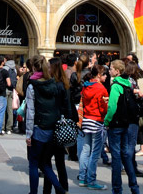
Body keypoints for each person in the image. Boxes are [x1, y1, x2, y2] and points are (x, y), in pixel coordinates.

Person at [25, 53, 69, 194]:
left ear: (33, 67)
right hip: (52, 128)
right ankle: (59, 188)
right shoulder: (53, 84)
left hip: (39, 128)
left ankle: (33, 192)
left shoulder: (32, 86)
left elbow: (30, 112)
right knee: (45, 163)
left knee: (34, 162)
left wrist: (28, 134)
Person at [104, 59, 141, 194]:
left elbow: (112, 106)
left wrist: (107, 121)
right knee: (126, 155)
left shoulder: (116, 86)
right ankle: (134, 187)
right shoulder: (128, 84)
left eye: (111, 68)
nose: (109, 71)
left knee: (116, 158)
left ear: (117, 71)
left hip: (116, 125)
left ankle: (117, 189)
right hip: (126, 123)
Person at [78, 64, 108, 190]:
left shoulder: (85, 86)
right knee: (95, 153)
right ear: (99, 75)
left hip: (86, 120)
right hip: (96, 121)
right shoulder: (101, 89)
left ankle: (82, 178)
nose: (106, 77)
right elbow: (104, 107)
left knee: (86, 150)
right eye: (105, 74)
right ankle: (91, 180)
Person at [44, 59, 71, 194]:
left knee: (47, 162)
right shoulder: (64, 85)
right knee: (60, 162)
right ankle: (64, 187)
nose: (47, 69)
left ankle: (47, 189)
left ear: (53, 68)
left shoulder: (52, 85)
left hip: (51, 126)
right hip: (61, 127)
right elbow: (68, 107)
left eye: (49, 67)